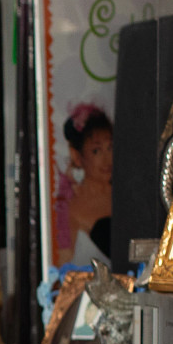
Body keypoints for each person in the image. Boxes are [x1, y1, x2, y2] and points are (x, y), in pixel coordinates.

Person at [54, 103, 113, 264]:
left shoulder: (128, 193)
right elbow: (62, 266)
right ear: (77, 156)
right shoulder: (70, 207)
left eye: (110, 148)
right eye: (96, 151)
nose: (107, 159)